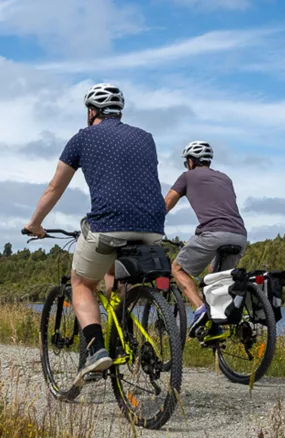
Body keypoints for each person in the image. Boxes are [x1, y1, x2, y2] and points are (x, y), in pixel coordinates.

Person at [23, 83, 167, 389]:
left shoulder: (82, 138)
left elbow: (55, 187)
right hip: (152, 226)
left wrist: (35, 223)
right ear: (119, 111)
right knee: (115, 278)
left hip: (108, 224)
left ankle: (97, 350)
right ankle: (122, 330)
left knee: (82, 283)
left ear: (91, 111)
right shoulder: (146, 138)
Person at [164, 141, 248, 332]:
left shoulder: (187, 176)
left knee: (177, 269)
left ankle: (200, 309)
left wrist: (150, 224)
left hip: (213, 233)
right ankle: (215, 327)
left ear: (191, 161)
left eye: (187, 162)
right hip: (240, 236)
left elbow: (166, 204)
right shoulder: (225, 179)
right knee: (214, 279)